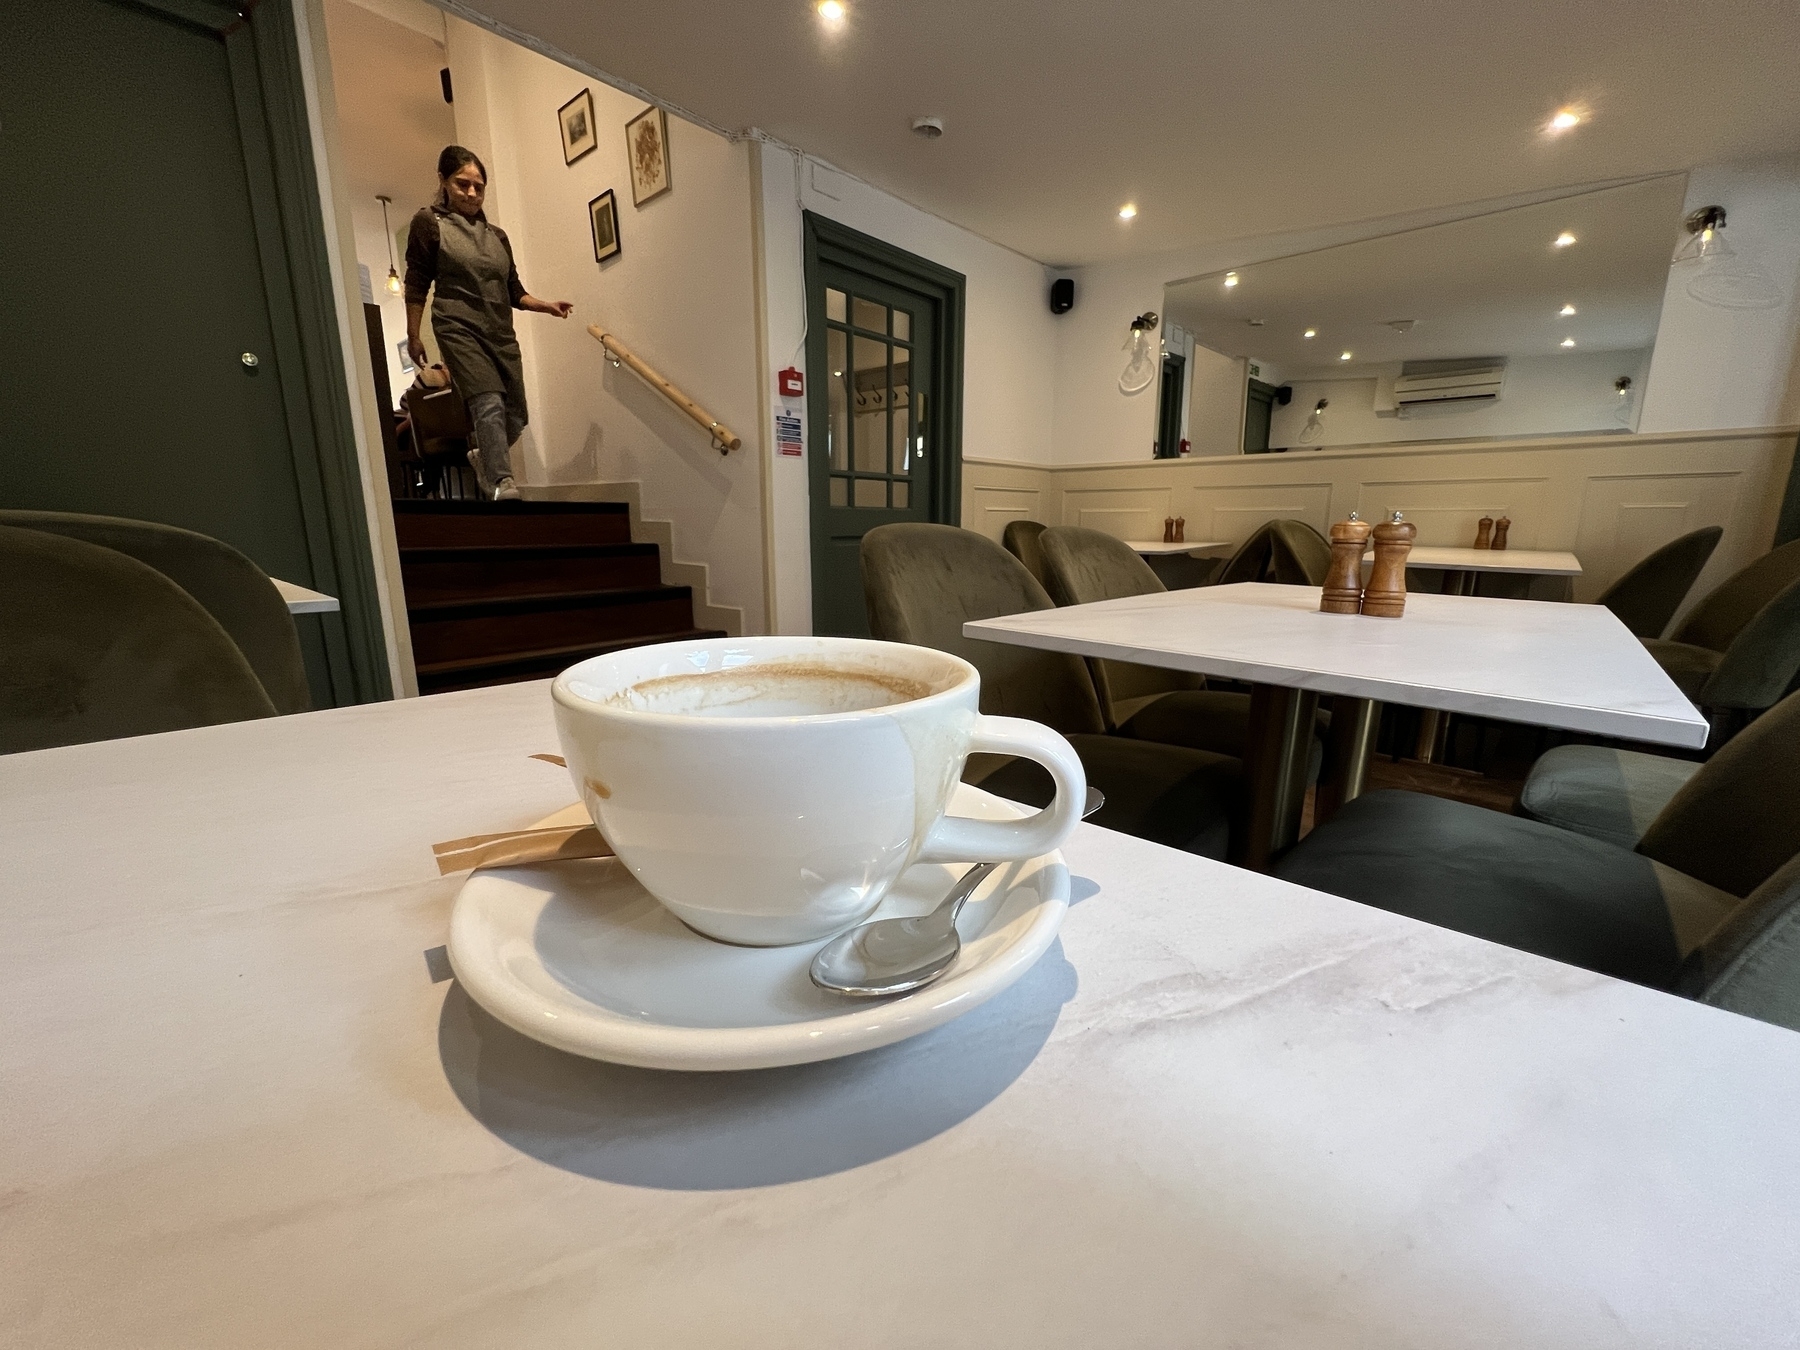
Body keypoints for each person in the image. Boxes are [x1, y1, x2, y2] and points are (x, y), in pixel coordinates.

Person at [404, 145, 573, 502]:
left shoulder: (497, 236)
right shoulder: (429, 223)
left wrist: (546, 305)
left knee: (516, 413)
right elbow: (417, 282)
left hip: (499, 331)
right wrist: (413, 334)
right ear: (443, 181)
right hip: (457, 327)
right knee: (488, 400)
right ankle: (502, 482)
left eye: (478, 187)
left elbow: (514, 291)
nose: (471, 193)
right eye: (462, 183)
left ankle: (484, 456)